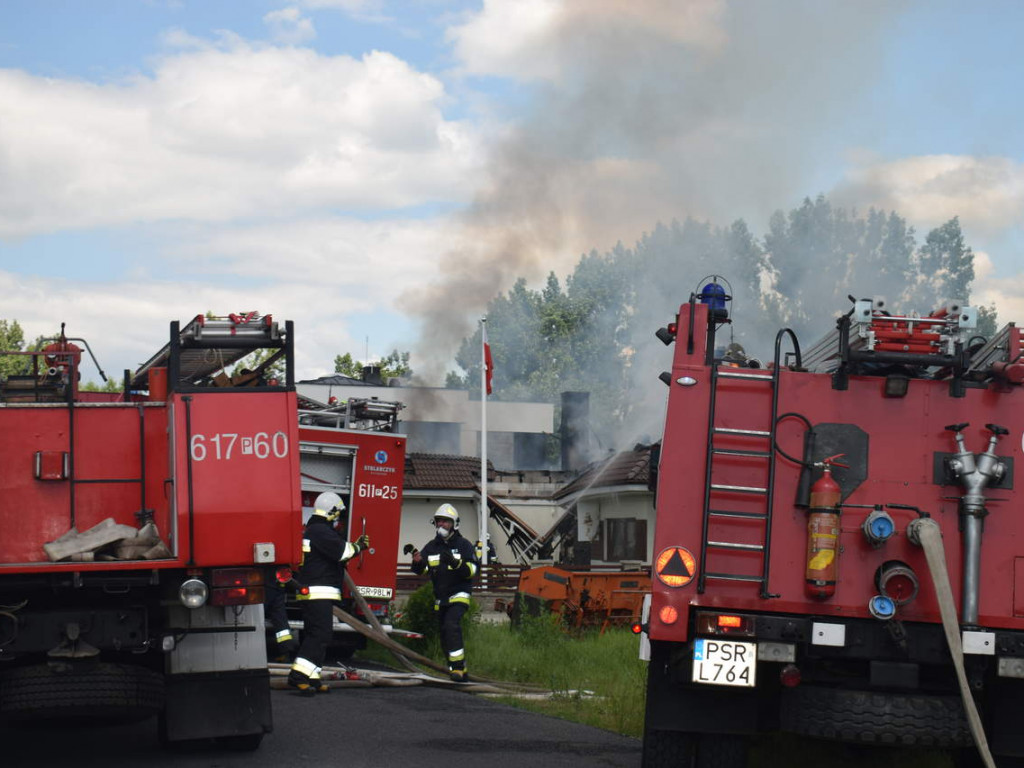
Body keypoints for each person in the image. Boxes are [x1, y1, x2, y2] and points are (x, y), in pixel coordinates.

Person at [287, 492, 370, 696]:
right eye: (338, 514)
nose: (338, 519)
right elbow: (343, 552)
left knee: (319, 635)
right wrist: (359, 546)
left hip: (316, 592)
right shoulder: (320, 531)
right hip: (317, 592)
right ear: (331, 511)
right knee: (319, 635)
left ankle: (313, 677)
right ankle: (298, 676)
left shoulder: (315, 530)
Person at [410, 503, 478, 682]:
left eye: (445, 522)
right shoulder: (432, 547)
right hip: (441, 598)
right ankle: (457, 670)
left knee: (451, 625)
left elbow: (472, 571)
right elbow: (423, 570)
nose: (441, 525)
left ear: (454, 524)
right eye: (438, 521)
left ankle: (457, 667)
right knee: (444, 634)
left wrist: (457, 564)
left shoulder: (464, 545)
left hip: (459, 594)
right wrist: (417, 561)